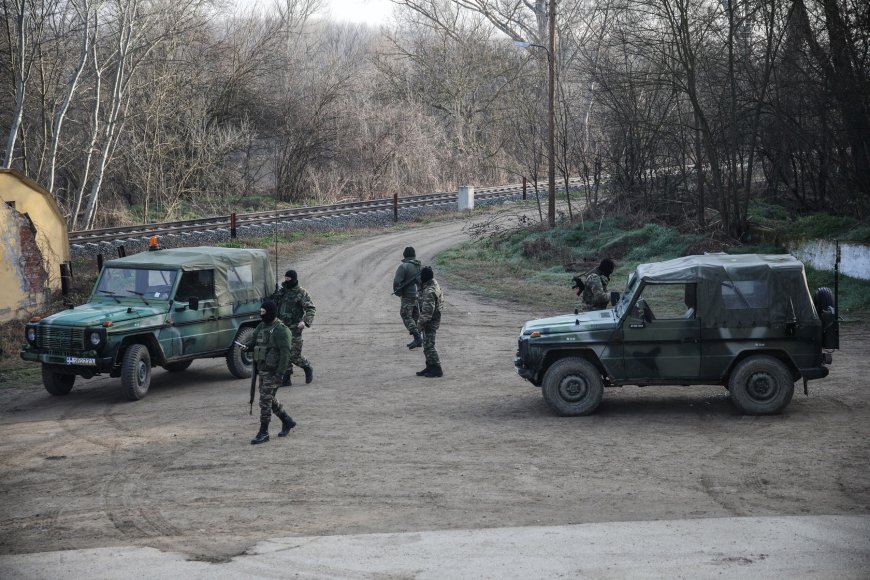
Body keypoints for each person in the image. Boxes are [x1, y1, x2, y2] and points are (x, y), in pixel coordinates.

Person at [243, 300, 296, 445]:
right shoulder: (261, 326)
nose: (261, 315)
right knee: (269, 399)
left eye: (263, 312)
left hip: (274, 372)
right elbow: (254, 342)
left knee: (265, 401)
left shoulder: (281, 330)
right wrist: (246, 347)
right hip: (263, 370)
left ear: (271, 312)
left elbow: (286, 353)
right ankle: (287, 420)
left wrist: (280, 373)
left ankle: (263, 432)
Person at [273, 270, 316, 386]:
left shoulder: (301, 293)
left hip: (295, 327)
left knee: (294, 355)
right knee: (283, 352)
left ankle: (306, 366)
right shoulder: (281, 292)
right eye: (285, 278)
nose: (286, 281)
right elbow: (273, 305)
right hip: (281, 327)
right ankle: (286, 378)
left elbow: (311, 309)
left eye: (289, 279)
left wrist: (305, 322)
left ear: (294, 279)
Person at [415, 266, 444, 378]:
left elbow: (427, 313)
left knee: (429, 345)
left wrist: (419, 326)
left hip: (430, 322)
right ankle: (430, 366)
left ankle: (437, 368)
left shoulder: (429, 292)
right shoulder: (433, 284)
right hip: (433, 319)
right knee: (427, 344)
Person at [393, 246, 423, 349]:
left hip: (408, 296)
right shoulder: (419, 266)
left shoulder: (403, 266)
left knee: (405, 315)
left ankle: (417, 337)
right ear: (414, 255)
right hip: (419, 296)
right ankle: (417, 339)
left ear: (404, 255)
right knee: (415, 317)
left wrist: (399, 293)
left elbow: (397, 282)